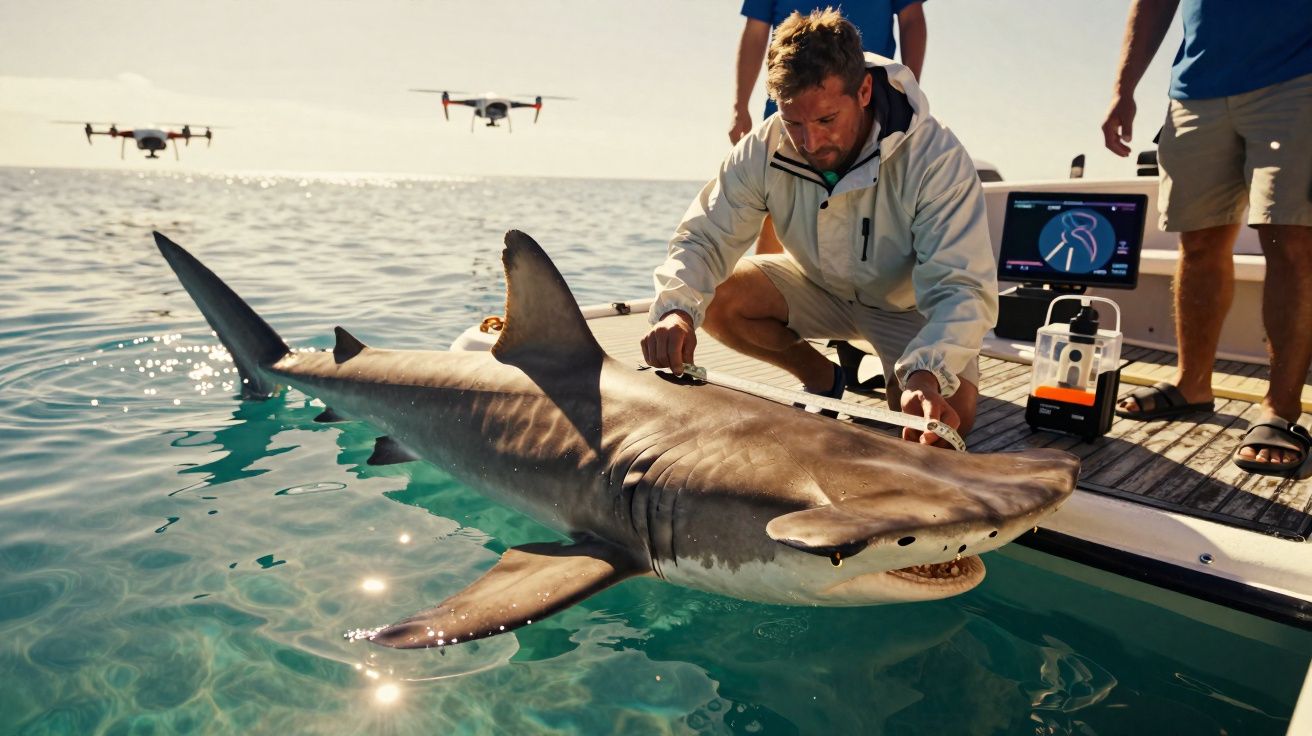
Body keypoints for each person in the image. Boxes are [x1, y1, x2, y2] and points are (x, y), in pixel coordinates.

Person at [641, 8, 995, 446]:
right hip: (818, 287)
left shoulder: (934, 156)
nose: (810, 142)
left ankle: (906, 375)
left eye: (826, 120)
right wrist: (676, 309)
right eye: (793, 123)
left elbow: (962, 288)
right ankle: (823, 377)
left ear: (864, 90)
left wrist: (926, 371)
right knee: (714, 297)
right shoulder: (763, 147)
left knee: (944, 422)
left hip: (909, 308)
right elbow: (704, 236)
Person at [1102, 0, 1312, 473]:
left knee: (1291, 241)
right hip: (1195, 88)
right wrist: (1124, 88)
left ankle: (1280, 412)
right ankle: (1191, 385)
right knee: (1196, 242)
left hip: (1298, 79)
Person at [731, 1, 928, 255]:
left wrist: (907, 93)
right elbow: (756, 30)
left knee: (869, 210)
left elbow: (911, 19)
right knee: (778, 209)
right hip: (790, 106)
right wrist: (740, 106)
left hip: (866, 107)